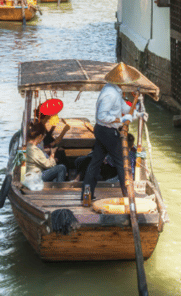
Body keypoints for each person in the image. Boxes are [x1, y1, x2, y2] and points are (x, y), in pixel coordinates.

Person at [81, 62, 142, 206]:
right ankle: (128, 195)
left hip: (105, 130)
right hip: (106, 130)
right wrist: (121, 119)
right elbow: (102, 116)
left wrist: (138, 112)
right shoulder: (110, 94)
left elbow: (125, 108)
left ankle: (87, 193)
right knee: (121, 161)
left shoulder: (115, 91)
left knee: (96, 162)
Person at [26, 104, 67, 183]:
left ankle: (55, 187)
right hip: (35, 177)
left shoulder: (31, 146)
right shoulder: (34, 150)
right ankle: (59, 190)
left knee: (56, 176)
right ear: (39, 136)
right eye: (42, 137)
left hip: (35, 172)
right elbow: (49, 165)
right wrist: (52, 154)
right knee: (61, 168)